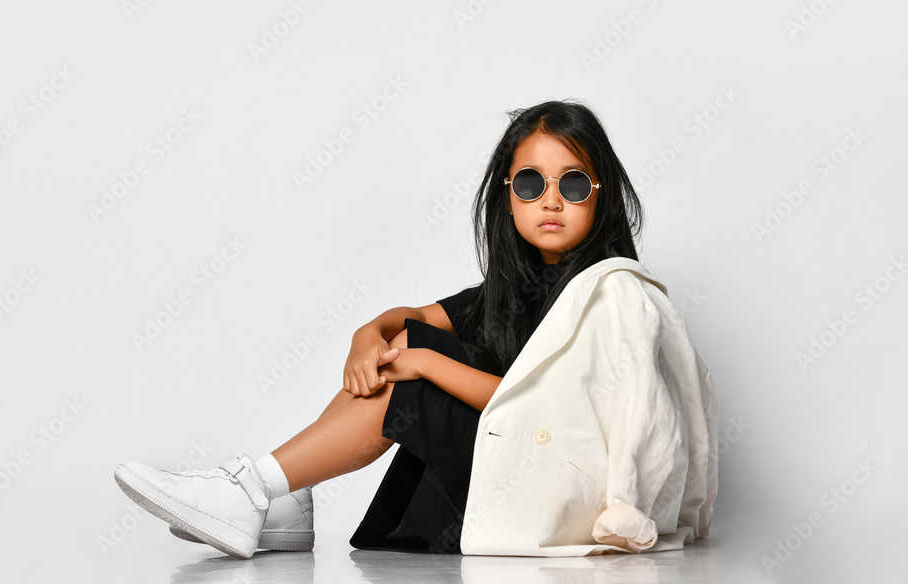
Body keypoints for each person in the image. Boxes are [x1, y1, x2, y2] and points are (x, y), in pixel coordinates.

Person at [113, 98, 647, 559]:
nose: (550, 200)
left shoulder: (607, 293)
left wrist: (426, 364)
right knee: (406, 343)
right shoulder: (514, 288)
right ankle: (285, 502)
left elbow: (553, 409)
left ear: (601, 195)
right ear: (507, 196)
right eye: (531, 183)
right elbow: (410, 320)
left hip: (553, 490)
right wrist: (366, 334)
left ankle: (254, 491)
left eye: (572, 183)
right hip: (511, 469)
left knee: (417, 363)